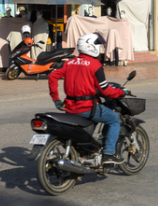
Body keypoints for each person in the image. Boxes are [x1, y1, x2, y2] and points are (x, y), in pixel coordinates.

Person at [48, 33, 128, 165]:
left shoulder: (69, 63)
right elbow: (105, 90)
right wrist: (120, 92)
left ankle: (86, 151)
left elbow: (52, 76)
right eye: (97, 45)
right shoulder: (95, 64)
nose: (99, 48)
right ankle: (108, 154)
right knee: (114, 119)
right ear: (91, 47)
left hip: (70, 108)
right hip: (87, 108)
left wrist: (56, 100)